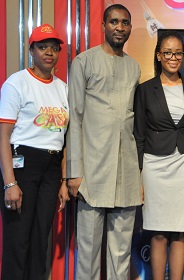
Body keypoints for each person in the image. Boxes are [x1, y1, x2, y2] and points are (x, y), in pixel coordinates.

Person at [66, 4, 141, 279]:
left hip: (126, 171)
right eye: (114, 22)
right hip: (93, 171)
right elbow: (74, 117)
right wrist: (74, 173)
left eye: (125, 23)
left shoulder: (134, 67)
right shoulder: (84, 62)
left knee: (121, 252)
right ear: (103, 26)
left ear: (130, 27)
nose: (119, 27)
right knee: (87, 251)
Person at [0, 24, 69, 280]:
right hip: (22, 165)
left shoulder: (63, 88)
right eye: (42, 47)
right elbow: (3, 138)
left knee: (41, 238)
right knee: (18, 240)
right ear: (31, 50)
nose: (48, 53)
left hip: (51, 167)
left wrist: (62, 180)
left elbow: (64, 139)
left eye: (53, 48)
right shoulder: (16, 83)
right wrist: (10, 183)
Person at [133, 30, 184, 280]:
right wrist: (139, 173)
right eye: (168, 53)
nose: (174, 58)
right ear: (159, 55)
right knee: (158, 232)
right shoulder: (145, 90)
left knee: (180, 232)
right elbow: (138, 135)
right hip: (154, 165)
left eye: (178, 53)